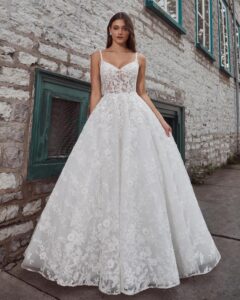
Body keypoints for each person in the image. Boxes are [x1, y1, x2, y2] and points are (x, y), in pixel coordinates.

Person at [21, 11, 221, 296]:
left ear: (129, 32)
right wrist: (92, 124)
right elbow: (95, 92)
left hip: (137, 120)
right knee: (102, 179)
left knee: (138, 179)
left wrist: (162, 120)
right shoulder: (97, 56)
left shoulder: (140, 58)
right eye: (115, 28)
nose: (119, 32)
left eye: (124, 28)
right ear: (109, 30)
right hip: (106, 118)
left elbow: (142, 92)